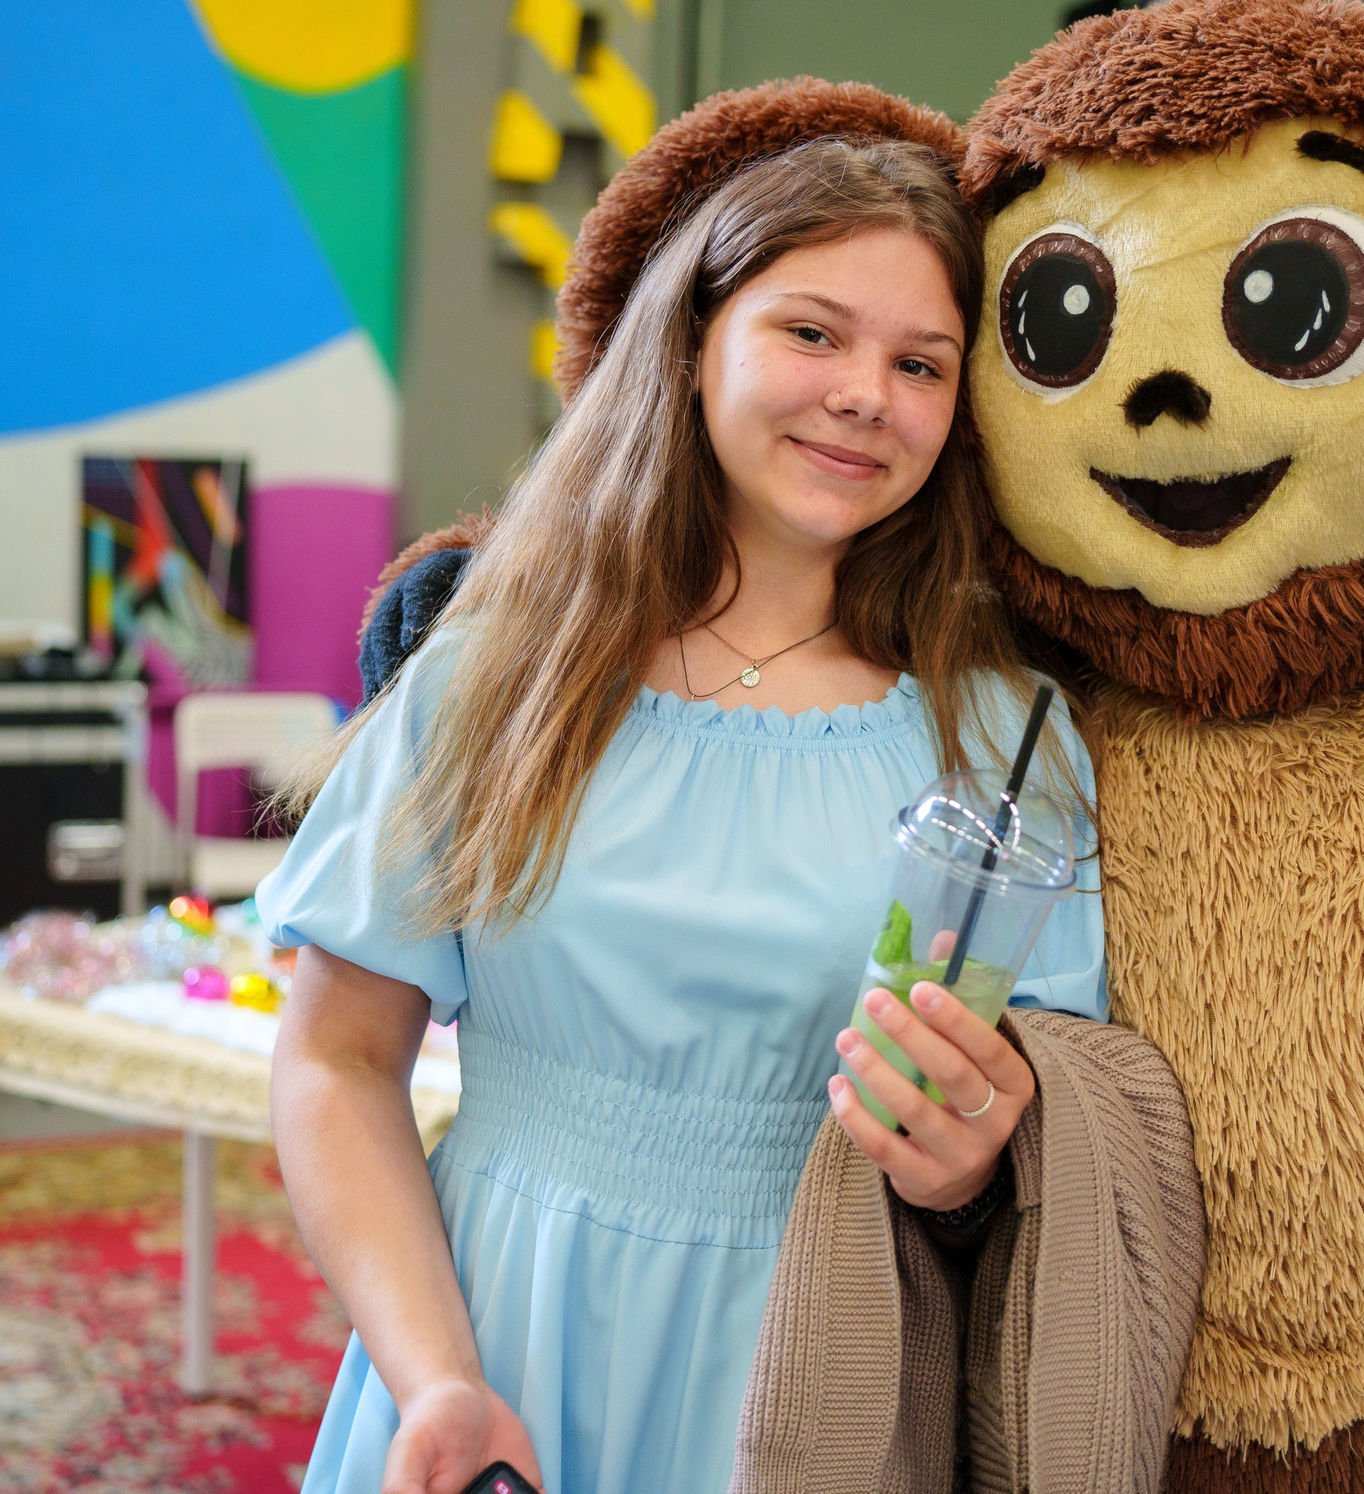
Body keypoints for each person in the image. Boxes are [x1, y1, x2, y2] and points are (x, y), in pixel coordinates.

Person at [263, 128, 1102, 1494]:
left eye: (920, 365)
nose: (864, 398)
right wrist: (439, 1381)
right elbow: (337, 1062)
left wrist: (965, 1166)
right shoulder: (499, 681)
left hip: (822, 1380)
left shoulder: (1009, 745)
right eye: (813, 333)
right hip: (496, 1351)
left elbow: (1043, 1141)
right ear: (696, 338)